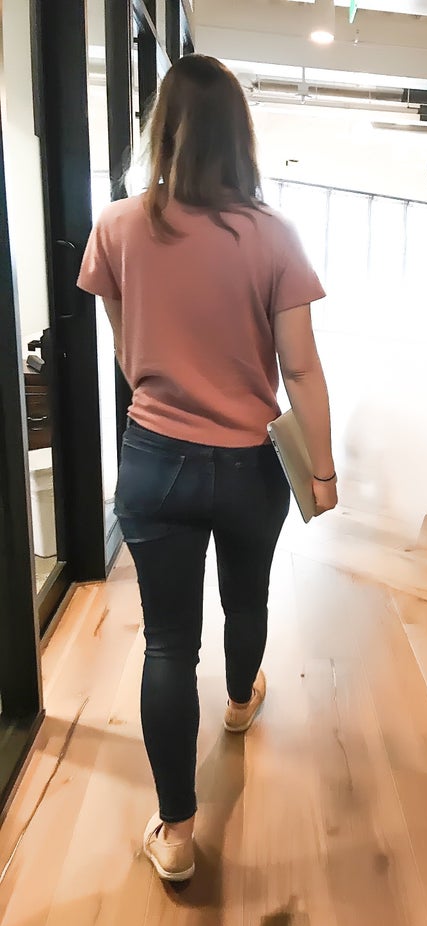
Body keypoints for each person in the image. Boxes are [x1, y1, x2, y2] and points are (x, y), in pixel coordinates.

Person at [77, 54, 337, 882]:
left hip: (155, 458)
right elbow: (300, 369)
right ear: (239, 135)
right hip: (250, 461)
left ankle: (178, 833)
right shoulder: (272, 234)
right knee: (247, 597)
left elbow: (128, 350)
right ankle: (237, 705)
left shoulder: (117, 226)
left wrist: (169, 387)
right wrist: (322, 473)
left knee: (166, 643)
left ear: (163, 130)